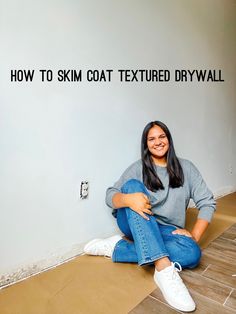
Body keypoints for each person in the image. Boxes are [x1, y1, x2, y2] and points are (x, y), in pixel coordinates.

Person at [84, 120, 216, 312]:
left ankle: (118, 248)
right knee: (131, 187)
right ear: (146, 144)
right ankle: (164, 269)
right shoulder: (138, 168)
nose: (158, 142)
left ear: (169, 139)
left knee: (192, 253)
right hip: (136, 222)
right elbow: (110, 195)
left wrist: (194, 237)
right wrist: (129, 200)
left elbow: (207, 203)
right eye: (151, 139)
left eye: (162, 136)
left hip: (167, 230)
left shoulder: (187, 168)